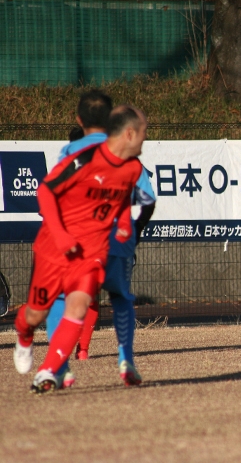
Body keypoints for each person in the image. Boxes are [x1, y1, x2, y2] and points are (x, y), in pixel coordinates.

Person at [13, 105, 148, 394]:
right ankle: (24, 335)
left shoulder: (134, 167)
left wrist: (124, 223)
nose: (145, 139)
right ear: (128, 133)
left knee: (79, 304)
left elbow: (125, 197)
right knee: (35, 315)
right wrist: (61, 236)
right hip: (56, 248)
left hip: (93, 252)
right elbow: (46, 191)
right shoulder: (83, 158)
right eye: (144, 133)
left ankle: (50, 370)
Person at [45, 92, 156, 390]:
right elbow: (147, 200)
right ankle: (125, 358)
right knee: (120, 298)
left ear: (79, 120)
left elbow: (54, 192)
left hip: (78, 242)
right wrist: (135, 231)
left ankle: (60, 365)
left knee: (61, 299)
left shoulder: (70, 151)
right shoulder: (125, 153)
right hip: (117, 243)